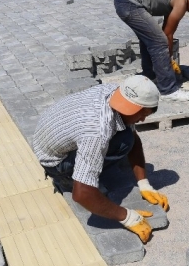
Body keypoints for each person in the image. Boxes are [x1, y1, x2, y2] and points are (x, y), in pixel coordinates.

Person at [32, 75, 169, 243]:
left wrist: (144, 183)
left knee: (126, 137)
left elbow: (133, 139)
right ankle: (67, 178)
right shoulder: (97, 131)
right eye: (143, 115)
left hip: (48, 135)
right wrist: (127, 217)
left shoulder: (114, 92)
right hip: (55, 162)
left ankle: (87, 165)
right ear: (135, 108)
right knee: (113, 150)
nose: (143, 120)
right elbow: (81, 195)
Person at [115, 0, 189, 101]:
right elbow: (167, 36)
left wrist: (168, 56)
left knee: (150, 39)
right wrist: (168, 58)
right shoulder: (181, 1)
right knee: (158, 42)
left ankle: (150, 76)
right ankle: (168, 90)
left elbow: (167, 31)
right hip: (130, 2)